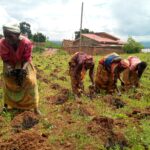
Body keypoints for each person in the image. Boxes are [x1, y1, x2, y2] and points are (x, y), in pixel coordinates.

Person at [0, 24, 40, 114]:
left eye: (10, 36)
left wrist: (22, 70)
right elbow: (5, 59)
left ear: (18, 35)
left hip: (25, 63)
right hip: (9, 63)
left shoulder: (26, 43)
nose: (7, 39)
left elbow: (26, 59)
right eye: (5, 36)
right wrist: (10, 69)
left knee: (30, 81)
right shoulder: (2, 43)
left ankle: (35, 108)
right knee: (8, 82)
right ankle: (6, 106)